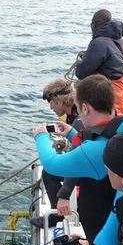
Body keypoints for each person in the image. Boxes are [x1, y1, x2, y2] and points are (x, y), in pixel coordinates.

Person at [32, 74, 123, 242]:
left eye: (77, 107)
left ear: (85, 108)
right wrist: (71, 133)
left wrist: (40, 135)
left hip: (102, 222)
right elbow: (96, 141)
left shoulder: (96, 151)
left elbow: (51, 164)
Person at [30, 79, 82, 227]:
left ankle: (56, 215)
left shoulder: (78, 121)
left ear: (60, 101)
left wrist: (64, 195)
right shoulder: (74, 115)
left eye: (51, 102)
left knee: (49, 171)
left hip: (89, 173)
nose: (51, 107)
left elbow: (76, 161)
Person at [75, 9, 123, 116]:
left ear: (94, 25)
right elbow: (112, 64)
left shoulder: (99, 43)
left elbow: (81, 73)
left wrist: (82, 60)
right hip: (122, 104)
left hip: (107, 106)